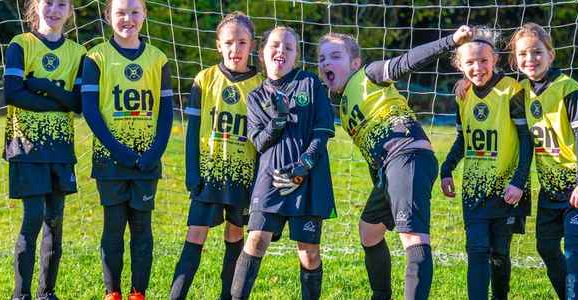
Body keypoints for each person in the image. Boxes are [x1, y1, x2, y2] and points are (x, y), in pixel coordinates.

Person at [316, 26, 473, 299]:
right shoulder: (342, 105)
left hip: (407, 155)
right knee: (369, 232)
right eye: (321, 59)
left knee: (413, 238)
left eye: (335, 56)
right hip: (389, 169)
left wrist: (452, 41)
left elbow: (407, 61)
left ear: (355, 63)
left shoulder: (370, 75)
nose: (326, 62)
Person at [230, 26, 336, 300]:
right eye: (275, 45)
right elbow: (259, 142)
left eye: (289, 48)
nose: (281, 51)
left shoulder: (310, 84)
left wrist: (302, 168)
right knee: (255, 240)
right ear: (262, 53)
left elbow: (322, 131)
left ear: (296, 56)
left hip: (308, 179)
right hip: (271, 179)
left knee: (309, 253)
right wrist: (278, 120)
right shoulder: (255, 98)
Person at [81, 0, 173, 299]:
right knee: (113, 228)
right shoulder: (96, 57)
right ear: (108, 16)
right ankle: (113, 292)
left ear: (145, 15)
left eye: (135, 12)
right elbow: (90, 111)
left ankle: (138, 292)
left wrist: (154, 152)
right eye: (120, 12)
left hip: (147, 161)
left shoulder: (158, 59)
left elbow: (167, 113)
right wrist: (120, 152)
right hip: (111, 161)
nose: (128, 19)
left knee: (143, 230)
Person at [168, 11, 263, 300]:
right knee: (195, 234)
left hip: (243, 176)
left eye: (242, 42)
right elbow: (192, 127)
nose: (236, 49)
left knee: (235, 235)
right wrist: (191, 171)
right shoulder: (204, 79)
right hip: (209, 174)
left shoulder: (260, 83)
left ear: (252, 45)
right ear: (218, 45)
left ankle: (228, 295)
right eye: (230, 42)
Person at [439, 27, 532, 300]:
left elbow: (526, 142)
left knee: (499, 253)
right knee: (477, 249)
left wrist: (518, 182)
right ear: (459, 64)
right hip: (474, 190)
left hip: (508, 188)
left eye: (483, 60)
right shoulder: (462, 95)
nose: (477, 67)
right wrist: (447, 169)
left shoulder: (511, 91)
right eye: (470, 62)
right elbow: (462, 140)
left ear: (494, 61)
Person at [510, 22, 578, 300]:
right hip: (549, 188)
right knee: (546, 248)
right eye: (523, 54)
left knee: (574, 248)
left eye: (537, 52)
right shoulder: (520, 91)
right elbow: (525, 142)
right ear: (515, 59)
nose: (530, 59)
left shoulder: (568, 88)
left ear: (551, 54)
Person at [3, 0, 85, 298]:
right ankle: (21, 294)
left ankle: (46, 293)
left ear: (70, 10)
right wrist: (60, 99)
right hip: (26, 146)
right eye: (48, 2)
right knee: (33, 217)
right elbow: (13, 93)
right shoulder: (20, 44)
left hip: (60, 148)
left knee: (55, 221)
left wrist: (41, 85)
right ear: (35, 6)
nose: (54, 9)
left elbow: (78, 104)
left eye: (62, 3)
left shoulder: (78, 53)